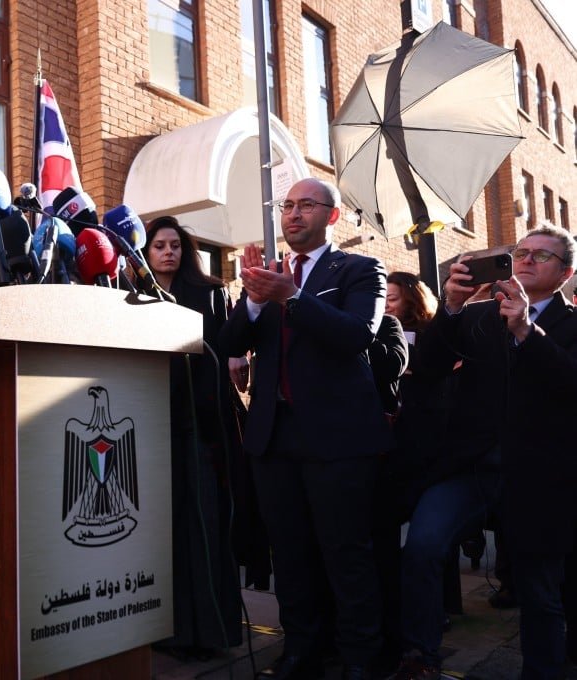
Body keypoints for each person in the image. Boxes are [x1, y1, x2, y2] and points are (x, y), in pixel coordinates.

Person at [218, 177, 390, 680]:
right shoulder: (268, 275)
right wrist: (252, 299)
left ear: (331, 216)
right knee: (289, 552)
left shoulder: (359, 269)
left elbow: (356, 336)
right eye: (287, 205)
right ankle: (301, 652)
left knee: (345, 551)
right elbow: (230, 339)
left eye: (306, 205)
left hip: (337, 437)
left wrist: (291, 296)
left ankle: (361, 656)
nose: (293, 214)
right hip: (276, 435)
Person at [394, 224, 577, 680]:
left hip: (540, 475)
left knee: (538, 590)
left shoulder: (571, 323)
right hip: (471, 467)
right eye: (521, 252)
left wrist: (525, 332)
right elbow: (430, 368)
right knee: (421, 547)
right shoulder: (476, 316)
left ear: (566, 272)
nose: (527, 260)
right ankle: (420, 657)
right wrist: (451, 308)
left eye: (542, 256)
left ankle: (542, 671)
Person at [143, 216, 245, 658]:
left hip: (201, 427)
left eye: (175, 245)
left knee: (203, 524)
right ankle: (169, 630)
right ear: (145, 253)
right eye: (158, 246)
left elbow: (224, 351)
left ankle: (210, 631)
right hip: (151, 427)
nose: (168, 252)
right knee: (165, 528)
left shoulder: (209, 293)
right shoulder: (133, 297)